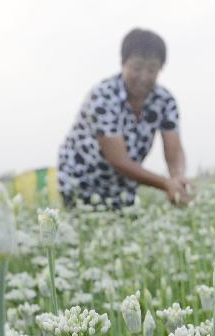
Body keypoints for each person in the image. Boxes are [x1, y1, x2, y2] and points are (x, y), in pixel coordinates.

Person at [58, 29, 191, 210]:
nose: (144, 76)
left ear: (161, 69)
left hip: (123, 187)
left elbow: (174, 150)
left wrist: (178, 178)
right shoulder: (103, 96)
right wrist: (165, 184)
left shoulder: (164, 101)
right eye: (137, 68)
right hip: (82, 182)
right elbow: (118, 160)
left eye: (152, 69)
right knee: (89, 232)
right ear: (123, 63)